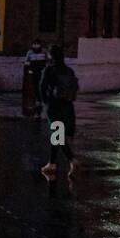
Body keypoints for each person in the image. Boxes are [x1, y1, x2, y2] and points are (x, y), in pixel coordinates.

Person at [39, 45, 79, 179]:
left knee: (57, 136)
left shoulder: (49, 70)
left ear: (51, 56)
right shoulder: (69, 71)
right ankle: (52, 163)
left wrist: (44, 102)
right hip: (67, 107)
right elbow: (75, 88)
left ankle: (72, 160)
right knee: (58, 135)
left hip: (54, 106)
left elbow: (42, 87)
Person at [23, 39, 48, 118]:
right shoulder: (30, 53)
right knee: (34, 85)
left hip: (41, 71)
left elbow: (47, 61)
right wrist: (29, 66)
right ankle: (38, 99)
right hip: (33, 71)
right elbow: (26, 62)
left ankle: (42, 99)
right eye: (34, 44)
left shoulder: (44, 52)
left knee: (42, 85)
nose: (36, 46)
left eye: (37, 44)